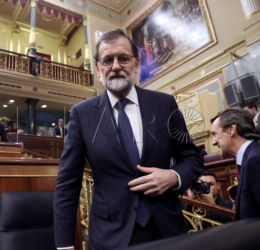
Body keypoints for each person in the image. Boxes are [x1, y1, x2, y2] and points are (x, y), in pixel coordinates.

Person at [53, 28, 204, 250]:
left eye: (123, 58)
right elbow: (67, 184)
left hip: (167, 230)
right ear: (98, 68)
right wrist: (64, 246)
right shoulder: (82, 114)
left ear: (135, 63)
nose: (115, 66)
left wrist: (173, 176)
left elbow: (192, 157)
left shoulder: (164, 104)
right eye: (107, 60)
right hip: (110, 236)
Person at [210, 108, 260, 221]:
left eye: (215, 134)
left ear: (231, 129)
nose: (213, 142)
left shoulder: (256, 160)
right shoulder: (250, 158)